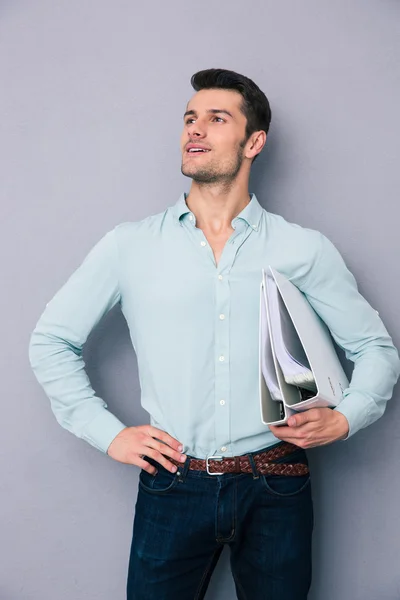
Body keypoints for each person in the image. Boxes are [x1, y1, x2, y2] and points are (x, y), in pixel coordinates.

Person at [28, 68, 400, 600]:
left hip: (277, 480)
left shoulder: (304, 248)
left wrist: (345, 419)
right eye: (189, 118)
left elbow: (375, 349)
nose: (193, 130)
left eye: (215, 118)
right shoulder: (128, 246)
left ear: (254, 142)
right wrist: (107, 432)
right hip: (172, 483)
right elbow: (51, 341)